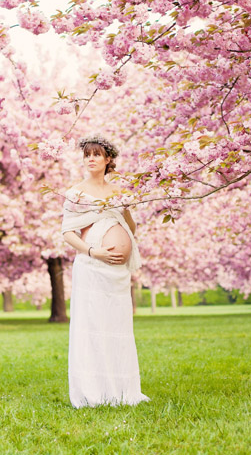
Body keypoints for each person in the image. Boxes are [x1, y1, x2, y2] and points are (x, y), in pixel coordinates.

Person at [61, 134, 150, 408]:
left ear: (108, 159)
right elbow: (67, 233)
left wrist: (127, 211)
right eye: (87, 154)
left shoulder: (118, 192)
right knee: (93, 325)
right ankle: (93, 390)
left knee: (116, 325)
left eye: (96, 154)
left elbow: (130, 230)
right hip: (91, 266)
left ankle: (122, 389)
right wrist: (92, 250)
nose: (91, 159)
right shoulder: (75, 192)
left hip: (118, 274)